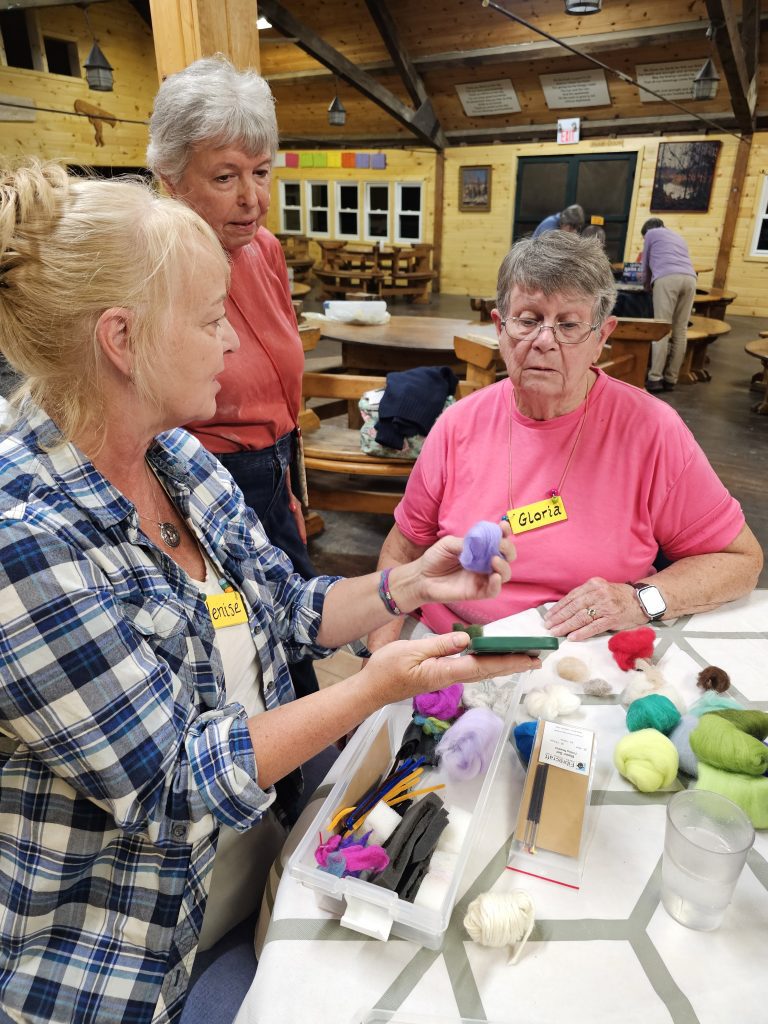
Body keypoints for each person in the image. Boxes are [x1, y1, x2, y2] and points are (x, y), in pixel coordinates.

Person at [0, 163, 540, 1024]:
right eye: (212, 320)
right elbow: (175, 782)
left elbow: (290, 609)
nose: (231, 345)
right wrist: (370, 690)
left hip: (270, 855)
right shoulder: (24, 542)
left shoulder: (175, 460)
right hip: (138, 954)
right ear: (120, 338)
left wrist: (407, 580)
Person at [368, 231, 762, 654]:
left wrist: (639, 599)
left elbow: (740, 561)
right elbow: (401, 550)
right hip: (455, 647)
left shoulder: (651, 430)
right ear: (501, 328)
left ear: (600, 337)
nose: (544, 339)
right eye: (528, 319)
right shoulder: (457, 425)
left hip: (588, 659)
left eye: (569, 324)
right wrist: (375, 664)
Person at [146, 56, 319, 699]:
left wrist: (286, 473)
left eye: (261, 172)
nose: (253, 198)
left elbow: (278, 365)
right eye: (226, 177)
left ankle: (311, 742)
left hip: (274, 466)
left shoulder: (262, 248)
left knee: (295, 606)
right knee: (238, 633)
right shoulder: (154, 268)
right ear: (170, 179)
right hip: (202, 477)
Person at [640, 216, 697, 393]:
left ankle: (655, 378)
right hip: (690, 279)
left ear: (647, 231)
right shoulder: (678, 237)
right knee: (680, 330)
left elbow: (645, 263)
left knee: (661, 328)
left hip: (667, 279)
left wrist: (646, 285)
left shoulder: (651, 234)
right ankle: (671, 379)